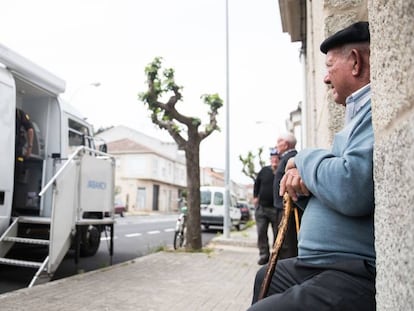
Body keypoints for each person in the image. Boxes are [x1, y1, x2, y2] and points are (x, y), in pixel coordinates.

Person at [248, 21, 375, 310]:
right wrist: (304, 190)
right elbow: (337, 185)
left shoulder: (373, 111)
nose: (325, 78)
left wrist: (303, 158)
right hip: (326, 263)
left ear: (355, 62)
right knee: (264, 276)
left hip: (353, 269)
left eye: (330, 66)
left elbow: (352, 189)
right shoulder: (356, 116)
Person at [272, 132, 301, 259]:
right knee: (283, 243)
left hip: (288, 208)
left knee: (287, 244)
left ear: (287, 144)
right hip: (283, 207)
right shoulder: (286, 158)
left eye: (279, 141)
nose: (276, 145)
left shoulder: (291, 158)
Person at [253, 148, 280, 265]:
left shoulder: (281, 171)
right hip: (262, 208)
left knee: (277, 234)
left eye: (276, 158)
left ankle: (276, 257)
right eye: (272, 158)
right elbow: (256, 184)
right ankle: (264, 255)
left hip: (276, 209)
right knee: (261, 233)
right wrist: (255, 196)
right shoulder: (264, 171)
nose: (274, 160)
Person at [13, 108, 34, 209]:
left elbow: (30, 130)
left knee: (14, 180)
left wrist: (29, 148)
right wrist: (29, 147)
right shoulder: (19, 112)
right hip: (16, 153)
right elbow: (30, 129)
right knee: (15, 181)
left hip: (14, 152)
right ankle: (12, 209)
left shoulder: (18, 113)